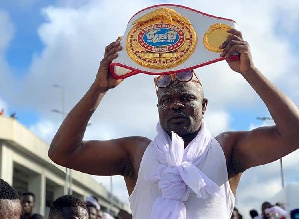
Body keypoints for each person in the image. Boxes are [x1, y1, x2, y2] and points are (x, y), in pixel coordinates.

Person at [48, 27, 299, 219]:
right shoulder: (137, 153)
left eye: (187, 97)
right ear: (158, 109)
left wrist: (249, 71)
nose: (176, 104)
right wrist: (99, 89)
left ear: (204, 106)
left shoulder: (226, 150)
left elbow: (294, 133)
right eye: (166, 99)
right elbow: (62, 153)